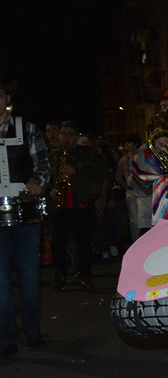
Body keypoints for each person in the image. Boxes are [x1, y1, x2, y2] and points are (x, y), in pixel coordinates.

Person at [0, 77, 50, 358]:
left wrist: (35, 181)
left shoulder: (27, 128)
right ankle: (6, 337)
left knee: (29, 277)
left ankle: (32, 329)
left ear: (8, 99)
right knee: (0, 282)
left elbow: (43, 164)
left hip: (25, 213)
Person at [47, 121, 107, 291]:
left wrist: (78, 170)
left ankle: (85, 273)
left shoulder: (88, 153)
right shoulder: (54, 157)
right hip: (61, 207)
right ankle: (60, 272)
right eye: (63, 134)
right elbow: (47, 179)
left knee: (83, 244)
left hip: (82, 205)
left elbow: (102, 171)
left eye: (70, 134)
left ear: (76, 136)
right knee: (57, 243)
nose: (66, 138)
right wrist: (50, 190)